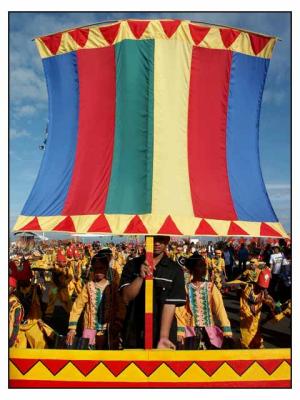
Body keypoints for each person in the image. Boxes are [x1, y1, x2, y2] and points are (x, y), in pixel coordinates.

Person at [119, 235, 186, 349]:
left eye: (161, 239)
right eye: (153, 239)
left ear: (167, 240)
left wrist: (164, 337)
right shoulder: (132, 265)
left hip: (162, 333)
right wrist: (140, 277)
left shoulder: (175, 270)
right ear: (146, 238)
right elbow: (126, 297)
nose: (157, 243)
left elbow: (170, 304)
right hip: (134, 330)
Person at [66, 253, 124, 350]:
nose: (98, 272)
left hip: (109, 330)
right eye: (95, 269)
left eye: (101, 268)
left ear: (106, 268)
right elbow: (77, 306)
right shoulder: (88, 286)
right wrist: (72, 328)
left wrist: (118, 323)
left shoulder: (113, 287)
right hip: (90, 329)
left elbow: (121, 307)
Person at [176, 253, 233, 350]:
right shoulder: (186, 288)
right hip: (190, 331)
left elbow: (220, 309)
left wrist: (226, 329)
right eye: (199, 266)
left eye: (203, 266)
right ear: (192, 269)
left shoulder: (211, 287)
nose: (203, 269)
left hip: (209, 331)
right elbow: (180, 311)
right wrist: (180, 332)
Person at [239, 269, 275, 349]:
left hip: (256, 317)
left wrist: (272, 304)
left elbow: (269, 299)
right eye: (261, 287)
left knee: (256, 333)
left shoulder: (264, 291)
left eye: (264, 288)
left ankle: (257, 348)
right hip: (246, 314)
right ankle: (245, 349)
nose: (262, 289)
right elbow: (236, 283)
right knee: (247, 335)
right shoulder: (248, 286)